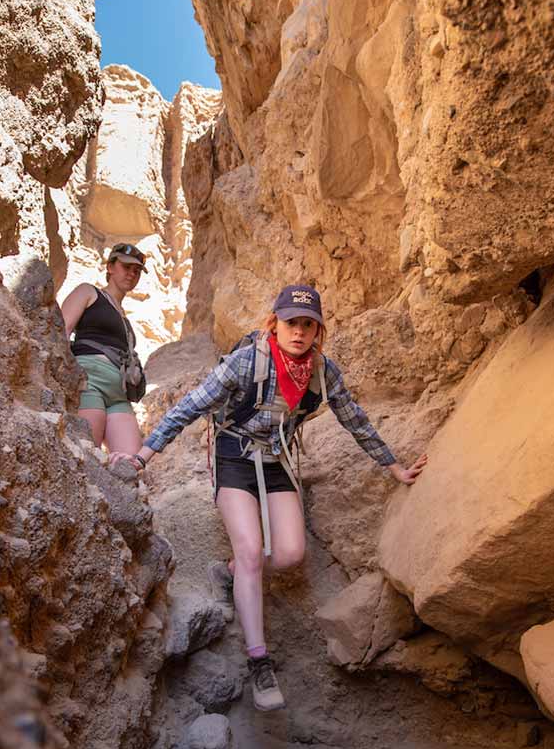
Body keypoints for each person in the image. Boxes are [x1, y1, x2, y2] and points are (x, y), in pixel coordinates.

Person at [110, 284, 427, 711]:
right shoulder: (246, 363)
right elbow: (189, 407)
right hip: (235, 455)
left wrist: (394, 466)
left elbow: (356, 421)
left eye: (308, 325)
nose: (299, 332)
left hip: (276, 459)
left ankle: (231, 572)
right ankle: (260, 660)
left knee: (292, 554)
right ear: (274, 323)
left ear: (318, 331)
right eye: (291, 322)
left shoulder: (322, 372)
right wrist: (142, 457)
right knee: (252, 550)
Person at [61, 242, 146, 456]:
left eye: (137, 271)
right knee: (87, 453)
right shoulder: (88, 292)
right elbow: (61, 329)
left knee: (131, 462)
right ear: (110, 267)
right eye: (126, 267)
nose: (132, 274)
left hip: (119, 393)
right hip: (90, 381)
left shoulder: (125, 319)